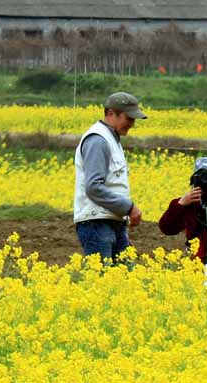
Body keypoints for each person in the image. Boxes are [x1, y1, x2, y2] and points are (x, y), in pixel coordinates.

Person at [74, 91, 147, 261]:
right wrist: (128, 207)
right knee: (101, 280)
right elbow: (94, 187)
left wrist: (121, 228)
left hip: (111, 222)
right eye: (128, 118)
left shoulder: (112, 139)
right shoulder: (98, 140)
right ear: (111, 113)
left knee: (124, 277)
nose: (132, 124)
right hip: (96, 223)